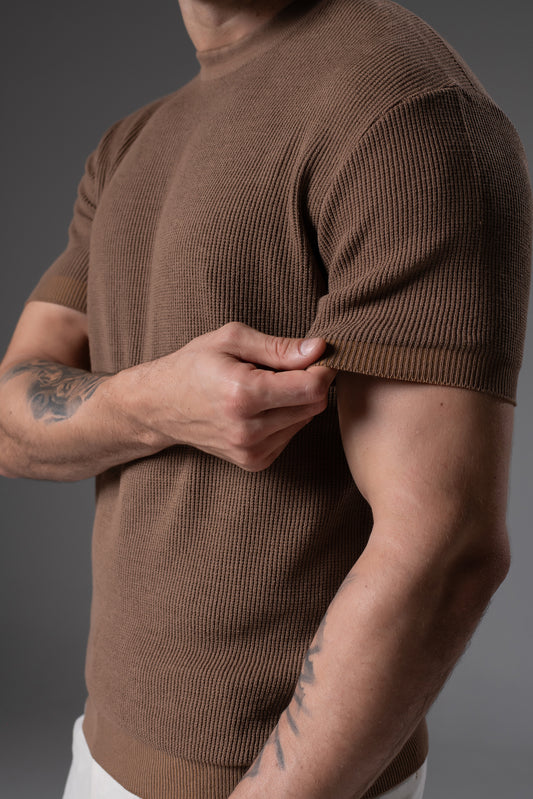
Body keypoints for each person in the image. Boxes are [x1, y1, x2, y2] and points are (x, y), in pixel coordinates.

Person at [0, 0, 531, 797]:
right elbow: (9, 419)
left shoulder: (403, 103)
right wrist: (154, 402)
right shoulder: (128, 145)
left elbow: (446, 545)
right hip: (98, 750)